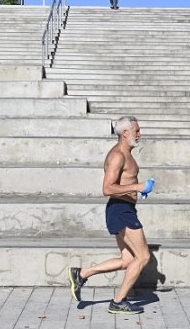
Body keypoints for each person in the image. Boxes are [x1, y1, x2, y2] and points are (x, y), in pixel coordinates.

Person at [67, 116, 155, 315]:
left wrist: (138, 191)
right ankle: (118, 301)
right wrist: (137, 186)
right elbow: (107, 188)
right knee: (143, 256)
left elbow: (123, 183)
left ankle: (81, 274)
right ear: (125, 133)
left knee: (127, 260)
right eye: (137, 131)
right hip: (120, 209)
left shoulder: (128, 154)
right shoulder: (117, 156)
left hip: (125, 208)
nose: (139, 134)